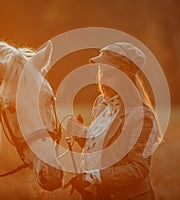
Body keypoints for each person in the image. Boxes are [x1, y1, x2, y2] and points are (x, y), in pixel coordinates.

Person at [63, 42, 162, 200]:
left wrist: (93, 177)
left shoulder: (141, 116)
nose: (102, 78)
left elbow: (139, 169)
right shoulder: (101, 103)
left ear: (127, 77)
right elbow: (104, 149)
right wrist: (80, 133)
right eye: (100, 71)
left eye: (110, 74)